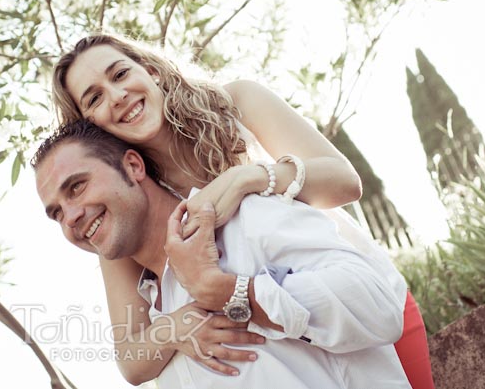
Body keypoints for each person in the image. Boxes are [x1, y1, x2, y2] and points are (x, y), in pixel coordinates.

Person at [50, 33, 434, 388]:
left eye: (120, 74)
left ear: (150, 71)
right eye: (94, 98)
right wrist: (176, 327)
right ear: (90, 127)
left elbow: (344, 182)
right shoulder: (129, 202)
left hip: (347, 301)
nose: (117, 95)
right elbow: (132, 360)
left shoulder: (236, 102)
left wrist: (248, 178)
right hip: (279, 344)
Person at [33, 120, 411, 388]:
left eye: (77, 187)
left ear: (133, 166)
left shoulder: (248, 219)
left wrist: (235, 293)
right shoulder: (157, 326)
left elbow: (378, 305)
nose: (71, 218)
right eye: (56, 214)